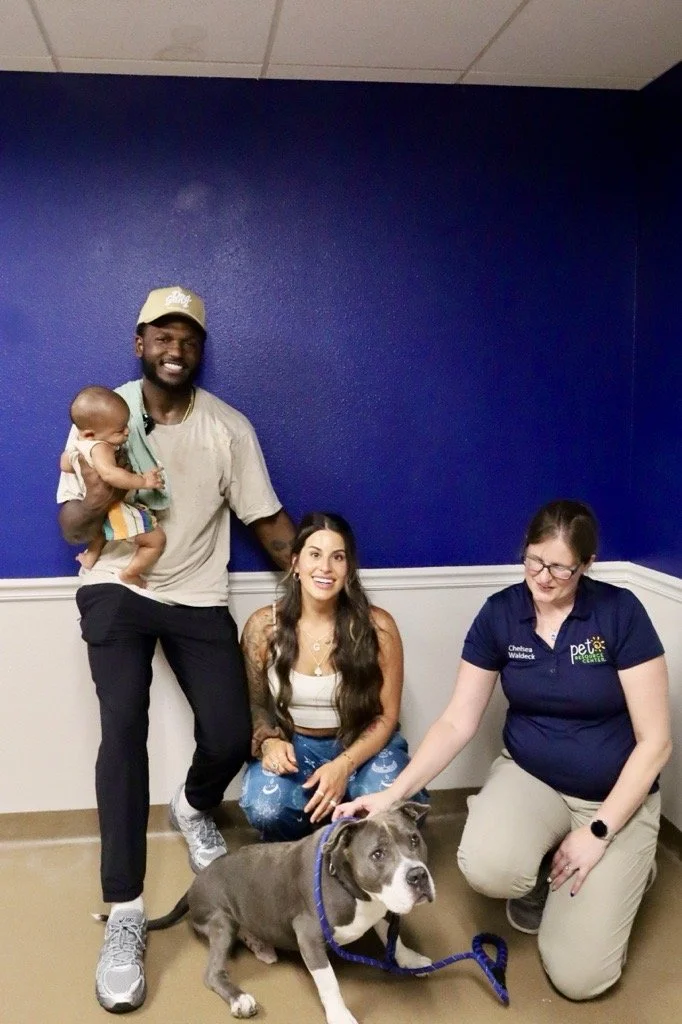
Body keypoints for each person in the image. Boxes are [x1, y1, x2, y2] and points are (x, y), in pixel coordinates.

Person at [56, 286, 295, 1014]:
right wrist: (99, 491)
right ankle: (124, 914)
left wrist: (325, 578)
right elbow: (71, 526)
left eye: (188, 337)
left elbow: (269, 521)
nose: (174, 347)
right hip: (117, 587)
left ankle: (192, 805)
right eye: (162, 334)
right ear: (140, 344)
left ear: (198, 350)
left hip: (197, 594)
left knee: (229, 733)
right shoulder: (98, 417)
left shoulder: (228, 428)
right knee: (122, 725)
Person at [335, 499, 671, 1002]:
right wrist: (390, 795)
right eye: (535, 560)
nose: (545, 576)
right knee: (488, 864)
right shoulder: (501, 614)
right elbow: (456, 721)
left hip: (614, 799)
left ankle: (630, 868)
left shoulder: (618, 613)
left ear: (587, 565)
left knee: (580, 980)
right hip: (534, 778)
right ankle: (543, 872)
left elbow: (656, 743)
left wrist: (600, 832)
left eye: (561, 567)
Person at [239, 511, 426, 841]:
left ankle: (351, 828)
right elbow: (254, 706)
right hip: (296, 748)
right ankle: (319, 838)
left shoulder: (378, 627)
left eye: (337, 557)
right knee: (266, 809)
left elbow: (387, 716)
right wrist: (269, 741)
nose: (325, 568)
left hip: (360, 744)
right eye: (314, 555)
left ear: (348, 568)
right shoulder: (263, 626)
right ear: (295, 563)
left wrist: (343, 766)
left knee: (392, 804)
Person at [59, 386, 166, 587]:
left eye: (126, 425)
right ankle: (131, 574)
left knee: (101, 533)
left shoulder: (78, 446)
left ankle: (90, 557)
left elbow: (65, 464)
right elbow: (110, 474)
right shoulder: (101, 447)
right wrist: (143, 481)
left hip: (99, 512)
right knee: (156, 541)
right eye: (119, 431)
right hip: (115, 508)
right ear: (90, 434)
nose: (127, 431)